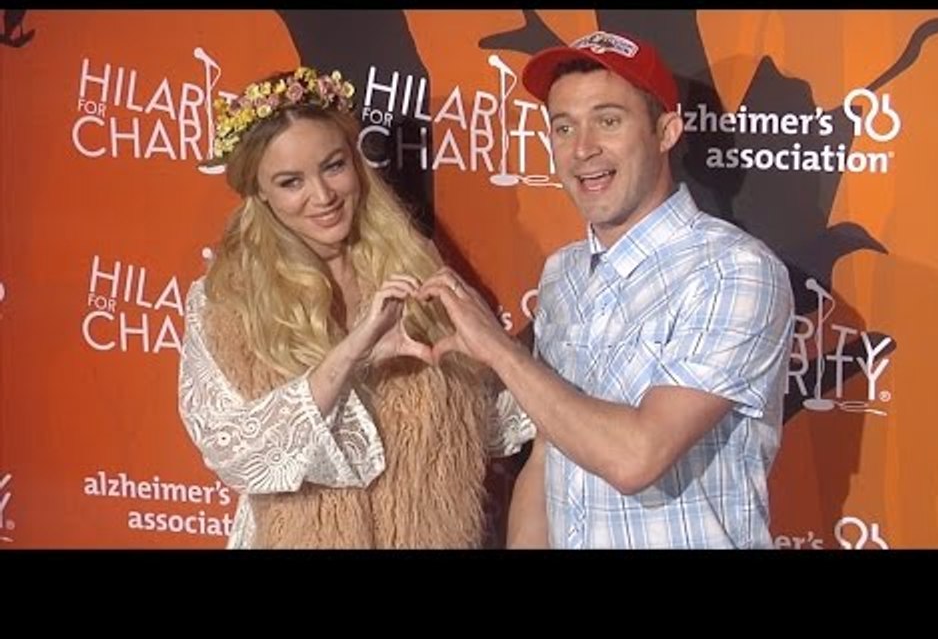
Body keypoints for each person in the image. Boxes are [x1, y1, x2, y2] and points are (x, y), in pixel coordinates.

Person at [419, 30, 795, 548]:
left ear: (666, 132)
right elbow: (548, 455)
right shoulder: (563, 274)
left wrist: (503, 354)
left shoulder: (733, 271)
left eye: (609, 121)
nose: (583, 149)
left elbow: (636, 456)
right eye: (564, 127)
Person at [178, 66, 533, 548]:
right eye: (290, 182)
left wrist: (501, 356)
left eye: (333, 166)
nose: (322, 196)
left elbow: (496, 423)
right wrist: (352, 355)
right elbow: (235, 454)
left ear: (355, 161)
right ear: (259, 191)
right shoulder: (226, 304)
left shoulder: (413, 262)